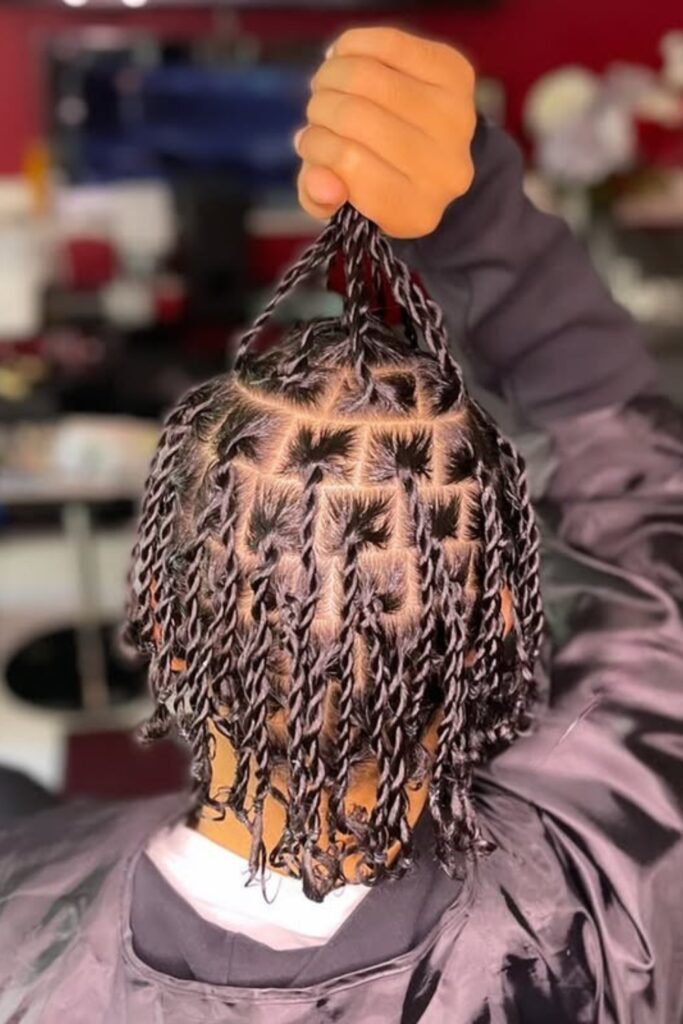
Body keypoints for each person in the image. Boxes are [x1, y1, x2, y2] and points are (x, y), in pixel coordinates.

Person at [1, 26, 681, 1024]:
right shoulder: (618, 874)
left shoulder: (20, 923)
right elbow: (640, 511)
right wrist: (473, 213)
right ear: (495, 630)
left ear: (163, 613)